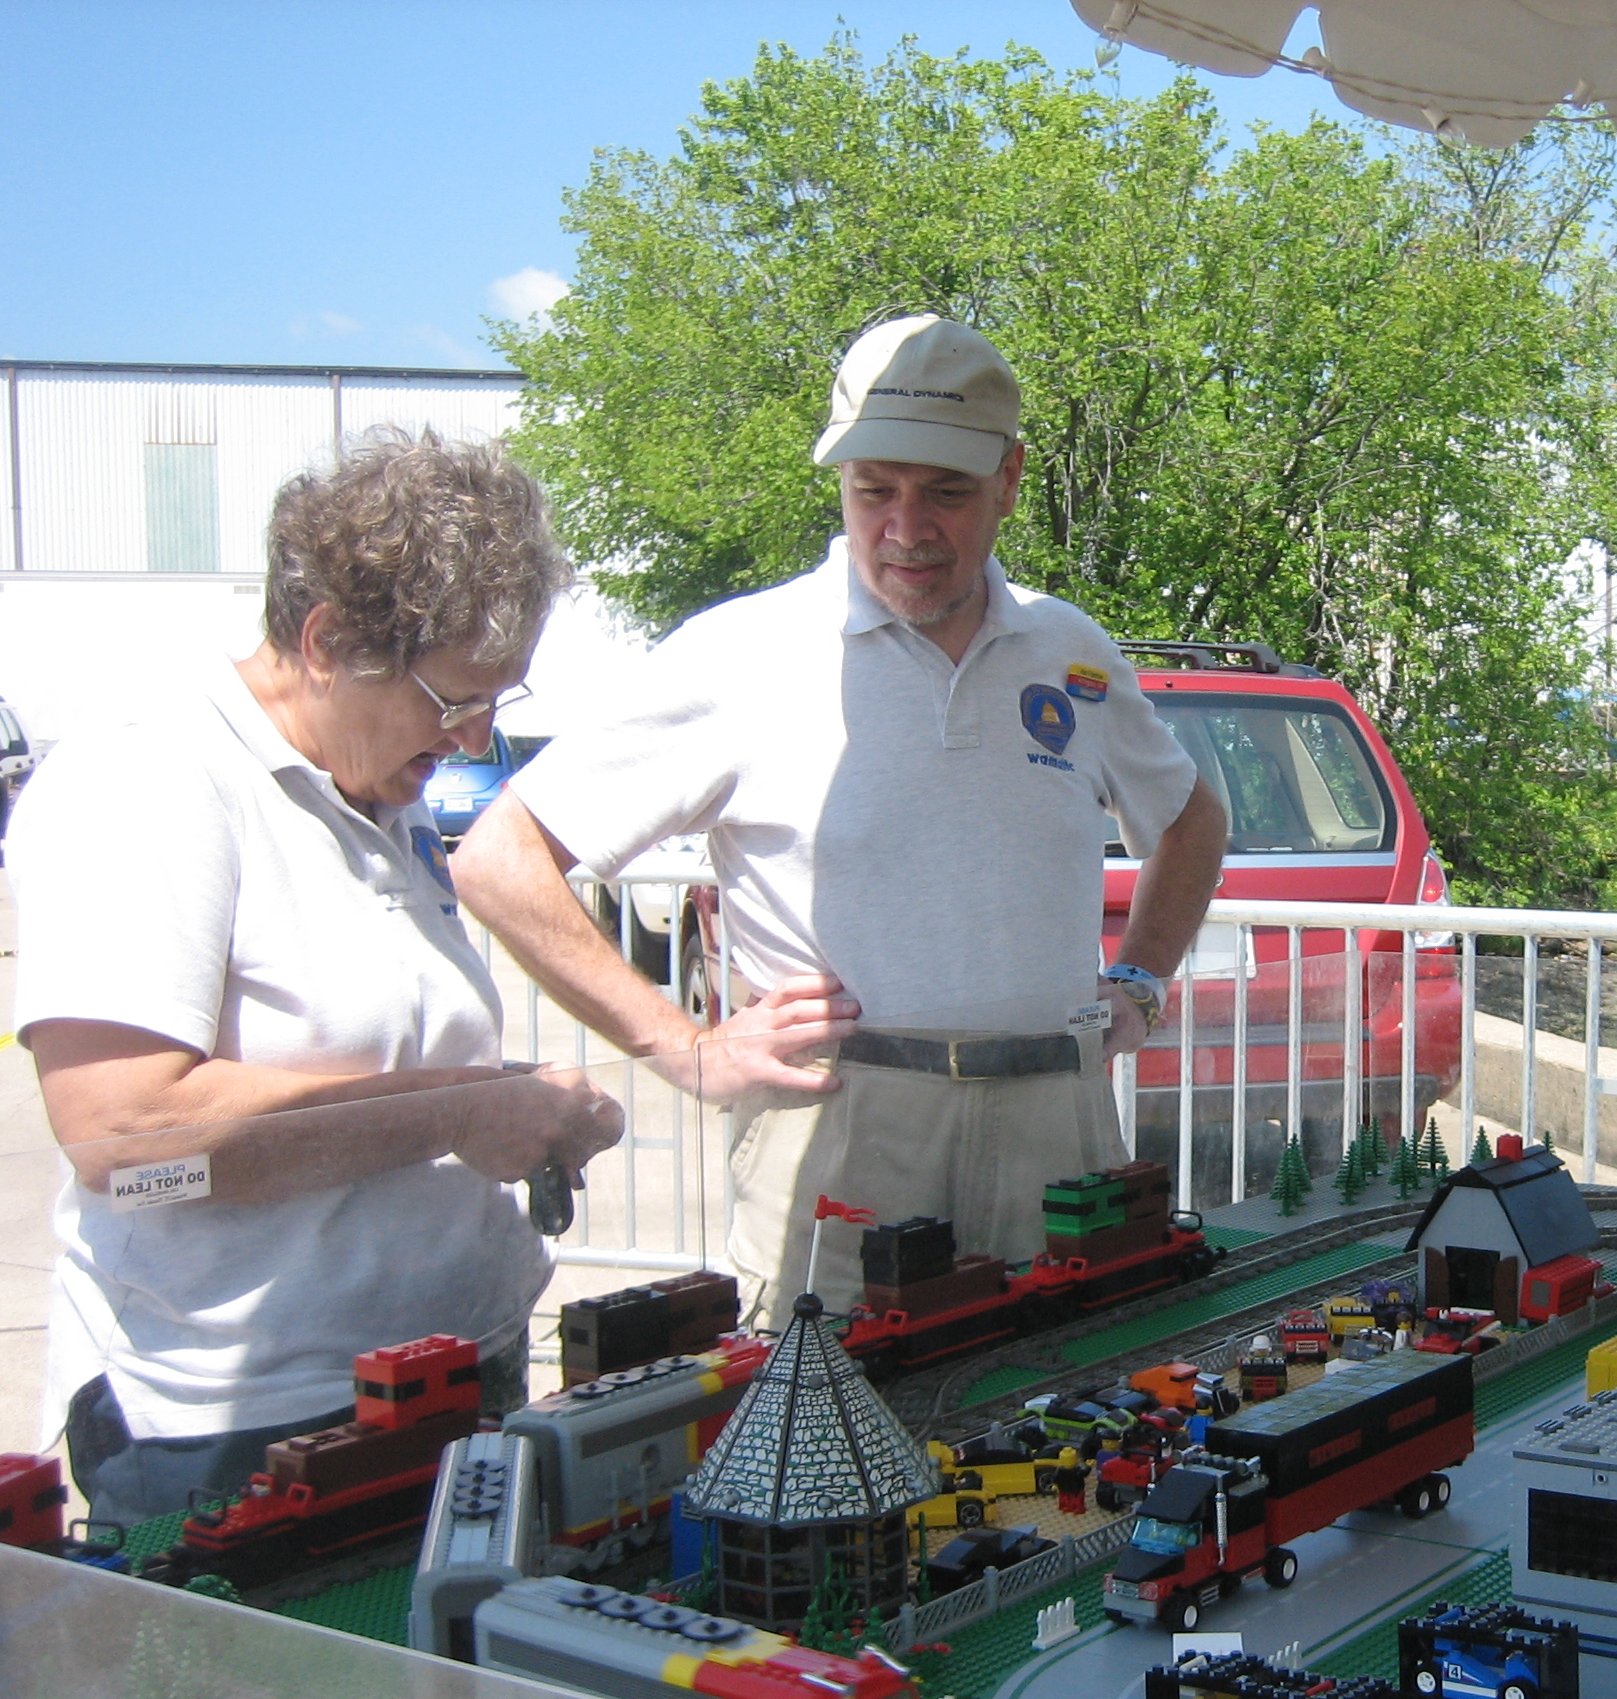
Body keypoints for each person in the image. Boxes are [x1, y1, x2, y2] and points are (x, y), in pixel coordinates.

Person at [455, 314, 1226, 1322]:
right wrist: (683, 1047)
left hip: (1059, 1123)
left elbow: (1191, 819)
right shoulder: (741, 654)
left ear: (1010, 480)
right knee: (841, 1450)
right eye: (876, 490)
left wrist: (1142, 983)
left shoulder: (1069, 653)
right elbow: (501, 860)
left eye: (946, 491)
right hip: (848, 1127)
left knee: (1067, 1432)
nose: (907, 528)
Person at [9, 431, 626, 1526]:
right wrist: (457, 1115)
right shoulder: (148, 779)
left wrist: (508, 1108)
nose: (477, 733)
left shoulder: (372, 794)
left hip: (438, 1385)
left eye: (498, 695)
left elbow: (370, 1074)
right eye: (453, 698)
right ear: (328, 639)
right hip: (239, 1431)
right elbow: (129, 1152)